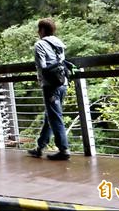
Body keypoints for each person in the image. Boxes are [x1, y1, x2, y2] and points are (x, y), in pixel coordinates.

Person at [28, 18, 71, 161]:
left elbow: (41, 66)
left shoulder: (40, 44)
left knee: (55, 117)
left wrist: (40, 79)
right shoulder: (59, 43)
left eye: (39, 29)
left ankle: (64, 150)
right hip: (62, 82)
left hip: (50, 85)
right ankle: (40, 147)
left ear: (42, 30)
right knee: (50, 115)